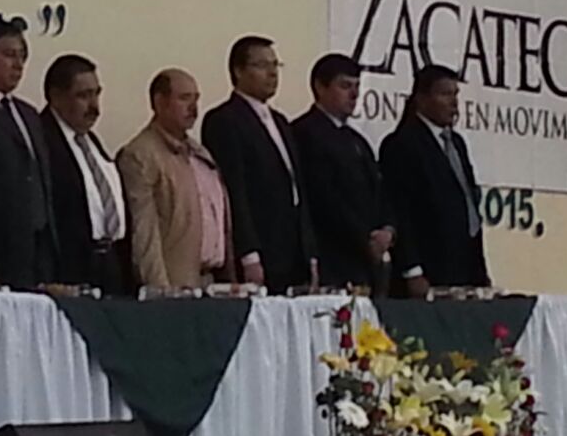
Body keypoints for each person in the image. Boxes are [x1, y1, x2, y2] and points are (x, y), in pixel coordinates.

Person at [201, 36, 317, 292]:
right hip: (262, 250)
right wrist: (249, 254)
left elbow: (298, 191)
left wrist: (310, 253)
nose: (272, 73)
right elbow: (235, 190)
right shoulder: (225, 120)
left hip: (293, 251)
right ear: (238, 71)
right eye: (262, 65)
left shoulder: (281, 122)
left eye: (276, 65)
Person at [379, 64, 490, 297]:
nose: (453, 102)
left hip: (464, 267)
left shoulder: (456, 143)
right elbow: (400, 210)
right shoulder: (402, 144)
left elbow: (467, 206)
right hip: (430, 269)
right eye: (444, 94)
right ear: (421, 99)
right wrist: (412, 271)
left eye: (455, 94)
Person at [0, 15, 57, 290]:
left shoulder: (28, 114)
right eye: (8, 55)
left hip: (35, 248)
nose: (18, 65)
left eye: (22, 57)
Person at [118, 69, 233, 290]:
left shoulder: (199, 153)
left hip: (212, 284)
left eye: (196, 98)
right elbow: (144, 233)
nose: (194, 108)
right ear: (159, 102)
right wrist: (160, 290)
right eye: (184, 98)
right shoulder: (141, 155)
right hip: (175, 286)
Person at [291, 54, 394, 291]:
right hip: (332, 258)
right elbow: (323, 198)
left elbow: (380, 191)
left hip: (367, 261)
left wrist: (387, 229)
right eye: (345, 86)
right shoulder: (304, 133)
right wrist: (363, 239)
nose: (354, 95)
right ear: (320, 86)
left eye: (357, 86)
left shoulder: (357, 140)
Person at [40, 54, 130, 296]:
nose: (95, 107)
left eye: (96, 94)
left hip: (109, 266)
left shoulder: (91, 141)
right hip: (71, 268)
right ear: (56, 97)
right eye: (83, 96)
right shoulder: (43, 140)